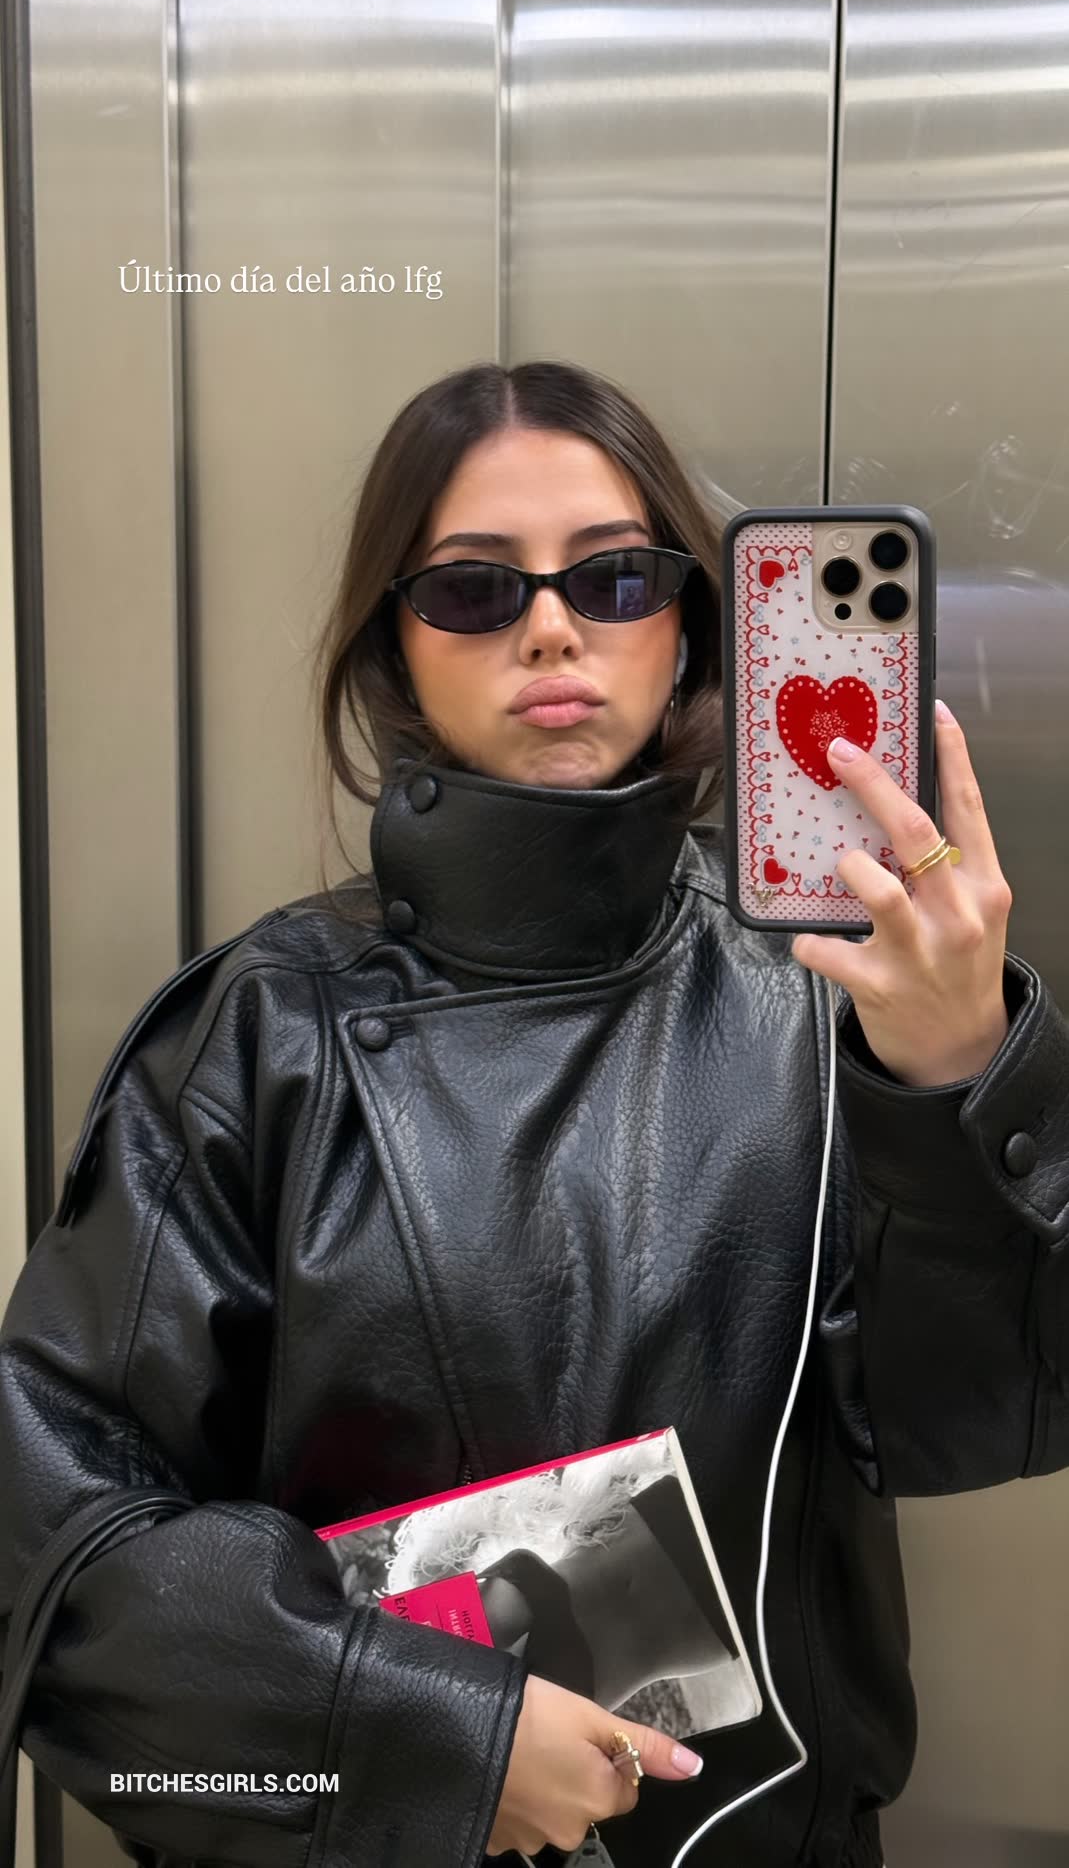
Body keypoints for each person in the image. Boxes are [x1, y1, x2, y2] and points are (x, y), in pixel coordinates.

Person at [1, 358, 1067, 1868]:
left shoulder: (837, 993)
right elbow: (55, 1542)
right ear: (397, 647)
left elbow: (974, 1425)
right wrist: (427, 1738)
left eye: (617, 578)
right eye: (472, 589)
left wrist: (956, 1076)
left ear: (688, 626)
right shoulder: (259, 1035)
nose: (553, 628)